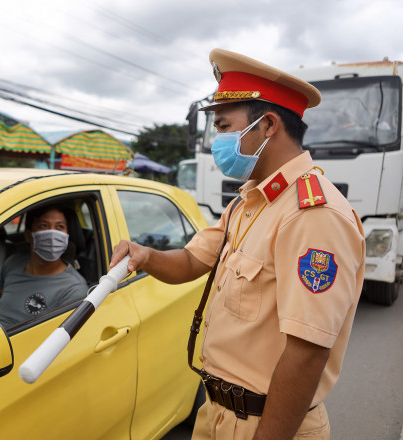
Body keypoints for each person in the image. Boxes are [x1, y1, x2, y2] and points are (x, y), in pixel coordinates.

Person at [110, 48, 365, 440]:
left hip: (268, 424)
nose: (218, 141)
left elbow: (307, 353)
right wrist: (145, 256)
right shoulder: (248, 203)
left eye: (226, 127)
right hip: (216, 414)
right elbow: (192, 261)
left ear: (267, 125)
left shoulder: (312, 214)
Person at [0, 204, 89, 328]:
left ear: (67, 237)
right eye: (44, 225)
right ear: (28, 235)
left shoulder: (74, 289)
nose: (52, 234)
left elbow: (56, 341)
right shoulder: (13, 263)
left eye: (60, 227)